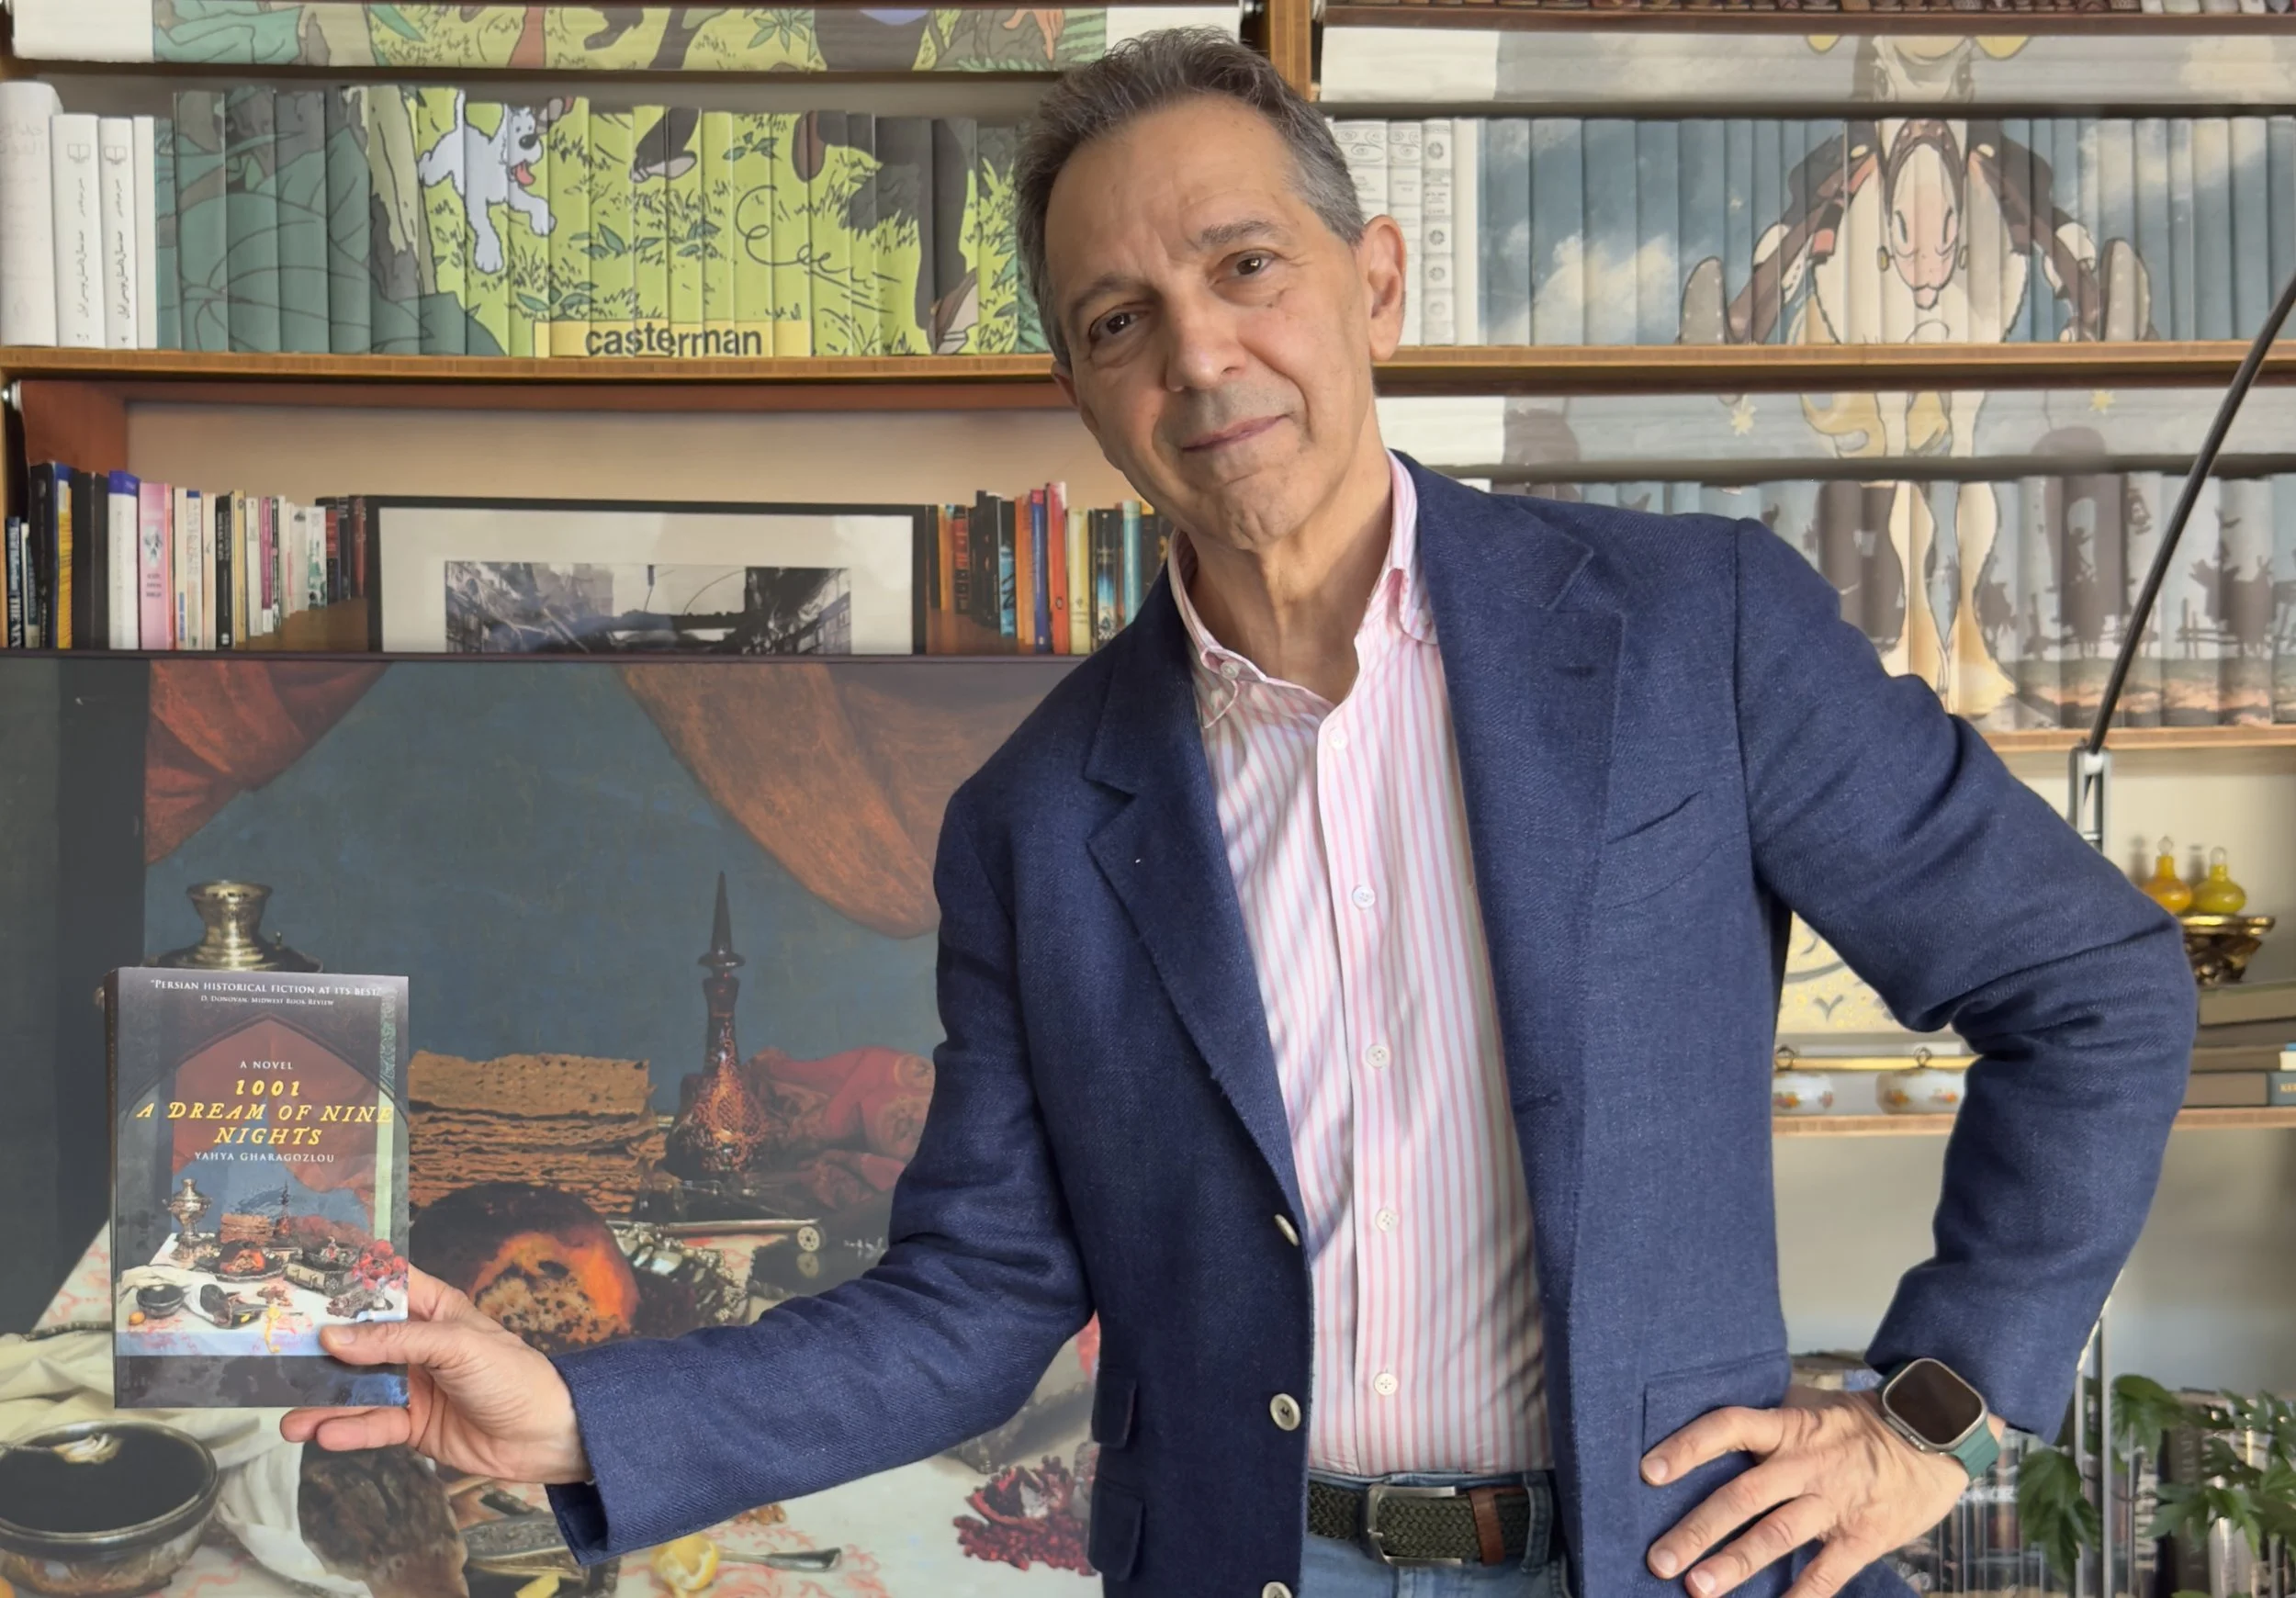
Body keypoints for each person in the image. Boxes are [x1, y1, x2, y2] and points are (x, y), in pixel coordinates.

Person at [284, 31, 2197, 1598]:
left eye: (1244, 267)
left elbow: (2093, 986)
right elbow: (976, 1305)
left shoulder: (1691, 632)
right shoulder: (1034, 818)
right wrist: (580, 1419)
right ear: (1080, 390)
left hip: (1673, 1563)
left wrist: (1937, 1407)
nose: (1197, 355)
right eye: (1118, 319)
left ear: (1374, 282)